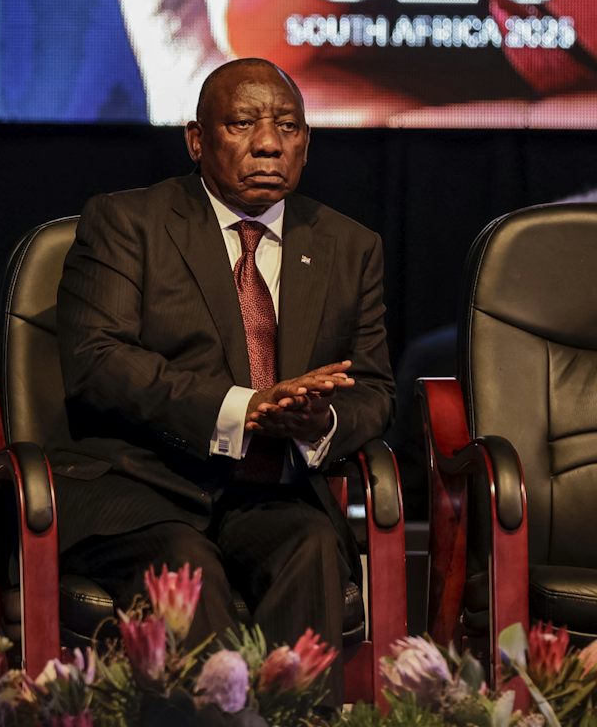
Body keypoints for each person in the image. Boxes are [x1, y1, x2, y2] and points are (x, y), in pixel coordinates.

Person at [54, 58, 393, 648]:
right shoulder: (127, 222)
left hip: (268, 492)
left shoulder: (349, 246)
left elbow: (373, 388)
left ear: (306, 145)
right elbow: (98, 360)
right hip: (143, 490)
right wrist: (244, 407)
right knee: (189, 570)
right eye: (241, 125)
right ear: (196, 140)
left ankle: (294, 716)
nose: (268, 145)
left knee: (312, 546)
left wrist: (322, 420)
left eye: (287, 128)